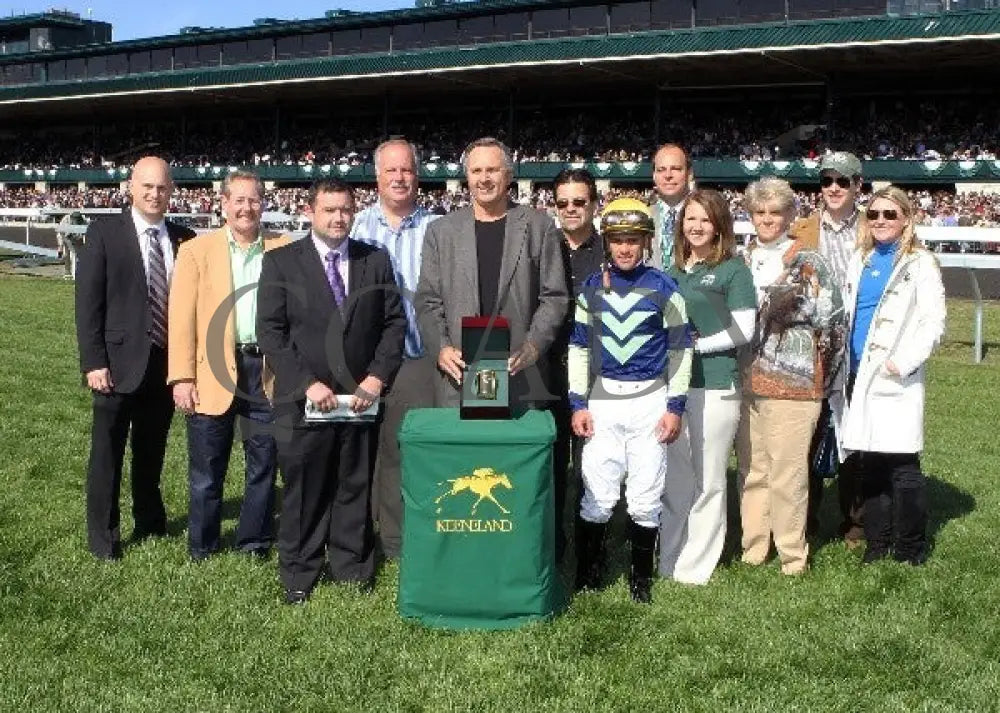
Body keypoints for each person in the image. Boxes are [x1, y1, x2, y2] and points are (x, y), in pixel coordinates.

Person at [257, 178, 406, 604]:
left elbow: (394, 323)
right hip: (304, 401)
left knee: (354, 484)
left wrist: (376, 377)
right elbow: (271, 331)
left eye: (345, 209)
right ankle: (299, 572)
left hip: (359, 399)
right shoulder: (282, 262)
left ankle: (351, 567)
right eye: (329, 210)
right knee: (304, 488)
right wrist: (307, 382)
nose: (339, 217)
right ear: (310, 212)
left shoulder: (374, 259)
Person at [569, 198, 692, 604]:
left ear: (646, 242)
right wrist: (578, 404)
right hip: (603, 399)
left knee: (645, 496)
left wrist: (674, 407)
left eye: (633, 240)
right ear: (607, 242)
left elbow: (680, 350)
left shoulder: (664, 287)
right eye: (618, 240)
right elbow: (579, 348)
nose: (625, 248)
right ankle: (588, 575)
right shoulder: (591, 288)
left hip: (650, 401)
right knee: (598, 494)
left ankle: (641, 581)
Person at [75, 156, 196, 561]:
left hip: (164, 366)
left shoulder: (185, 238)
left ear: (171, 190)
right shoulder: (104, 233)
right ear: (131, 187)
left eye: (161, 187)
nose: (154, 194)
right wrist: (93, 361)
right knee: (106, 456)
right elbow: (87, 303)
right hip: (115, 366)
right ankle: (104, 539)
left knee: (151, 451)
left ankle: (150, 521)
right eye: (147, 186)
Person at [167, 170, 290, 561]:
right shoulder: (195, 251)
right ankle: (202, 545)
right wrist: (182, 376)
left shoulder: (284, 247)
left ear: (263, 204)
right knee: (207, 469)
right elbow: (181, 319)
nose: (246, 208)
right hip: (211, 371)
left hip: (266, 372)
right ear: (223, 204)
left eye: (253, 200)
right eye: (239, 200)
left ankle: (253, 542)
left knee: (263, 464)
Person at [738, 177, 844, 575]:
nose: (767, 219)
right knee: (753, 471)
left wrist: (823, 380)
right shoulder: (741, 259)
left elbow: (833, 324)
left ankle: (792, 555)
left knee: (788, 474)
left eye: (775, 212)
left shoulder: (809, 262)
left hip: (795, 385)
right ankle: (753, 548)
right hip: (746, 382)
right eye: (760, 212)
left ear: (790, 215)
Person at [834, 186, 945, 565]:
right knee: (870, 463)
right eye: (874, 214)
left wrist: (905, 361)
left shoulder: (920, 263)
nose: (880, 221)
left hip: (894, 377)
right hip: (857, 373)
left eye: (889, 214)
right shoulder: (861, 258)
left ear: (906, 219)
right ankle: (877, 544)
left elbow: (933, 321)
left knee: (902, 465)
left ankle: (910, 548)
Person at [415, 137, 569, 412]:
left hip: (520, 375)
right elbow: (428, 300)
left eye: (492, 170)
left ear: (508, 175)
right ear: (467, 177)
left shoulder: (539, 227)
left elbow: (554, 297)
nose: (484, 179)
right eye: (476, 171)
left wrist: (534, 345)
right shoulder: (441, 232)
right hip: (458, 377)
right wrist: (441, 348)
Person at [658, 189, 756, 585]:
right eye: (690, 218)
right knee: (676, 479)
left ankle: (695, 567)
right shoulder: (673, 272)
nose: (696, 226)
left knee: (709, 480)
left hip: (715, 385)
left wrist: (693, 347)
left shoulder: (733, 270)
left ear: (719, 227)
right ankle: (669, 560)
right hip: (674, 389)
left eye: (705, 219)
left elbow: (743, 330)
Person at [350, 139, 437, 561]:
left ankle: (404, 536)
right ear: (377, 177)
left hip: (419, 359)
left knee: (407, 452)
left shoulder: (438, 228)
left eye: (406, 170)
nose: (399, 178)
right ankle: (361, 530)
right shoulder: (356, 227)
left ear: (416, 176)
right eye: (391, 170)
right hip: (365, 362)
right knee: (363, 449)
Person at [789, 151, 866, 545]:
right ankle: (804, 521)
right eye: (826, 181)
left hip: (859, 345)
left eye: (842, 181)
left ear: (857, 185)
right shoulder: (801, 229)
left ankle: (856, 522)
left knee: (856, 433)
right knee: (810, 432)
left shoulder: (875, 226)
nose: (833, 188)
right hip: (812, 345)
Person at [550, 167, 604, 562]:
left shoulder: (611, 251)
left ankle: (591, 553)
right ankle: (551, 545)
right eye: (563, 202)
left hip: (597, 373)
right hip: (548, 372)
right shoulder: (541, 247)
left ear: (594, 204)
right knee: (551, 465)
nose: (570, 209)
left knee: (594, 467)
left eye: (579, 202)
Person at [650, 143, 693, 270]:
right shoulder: (644, 216)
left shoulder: (707, 216)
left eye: (676, 169)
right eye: (661, 170)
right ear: (654, 176)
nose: (668, 175)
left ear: (689, 174)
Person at [57, 211, 87, 280]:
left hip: (76, 239)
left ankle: (76, 274)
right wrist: (60, 247)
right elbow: (61, 234)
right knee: (66, 255)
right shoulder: (66, 220)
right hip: (64, 237)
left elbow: (85, 235)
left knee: (75, 256)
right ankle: (67, 272)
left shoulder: (84, 221)